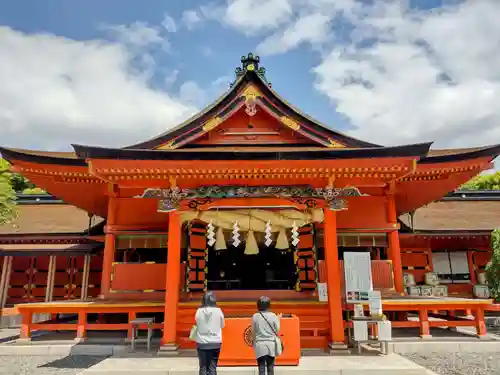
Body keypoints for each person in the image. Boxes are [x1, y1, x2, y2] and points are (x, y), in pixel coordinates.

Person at [195, 291, 225, 375]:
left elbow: (197, 323)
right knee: (212, 367)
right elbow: (222, 325)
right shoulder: (218, 311)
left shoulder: (199, 311)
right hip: (215, 342)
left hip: (202, 342)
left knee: (203, 367)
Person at [251, 296, 281, 375]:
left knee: (261, 368)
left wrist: (253, 343)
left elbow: (253, 331)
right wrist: (278, 319)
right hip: (271, 344)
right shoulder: (273, 316)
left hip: (260, 344)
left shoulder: (255, 316)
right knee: (270, 368)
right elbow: (277, 330)